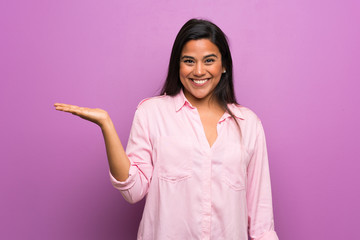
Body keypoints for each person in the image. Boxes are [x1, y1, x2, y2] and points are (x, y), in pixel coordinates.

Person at [54, 19, 279, 240]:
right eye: (189, 61)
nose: (199, 71)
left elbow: (262, 224)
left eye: (209, 60)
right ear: (177, 65)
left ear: (224, 65)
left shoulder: (248, 124)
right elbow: (132, 191)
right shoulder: (151, 113)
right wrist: (106, 125)